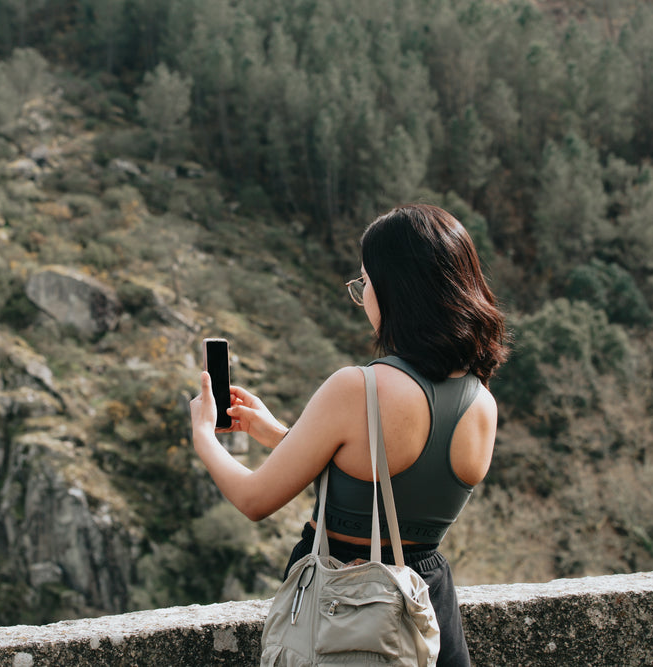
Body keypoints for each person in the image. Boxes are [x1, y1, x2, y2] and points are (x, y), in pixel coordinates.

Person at [189, 203, 508, 667]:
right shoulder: (482, 403)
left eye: (366, 282)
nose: (363, 297)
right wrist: (281, 434)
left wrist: (204, 434)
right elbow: (386, 480)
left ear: (396, 289)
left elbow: (254, 499)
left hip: (346, 608)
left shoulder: (359, 388)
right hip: (429, 612)